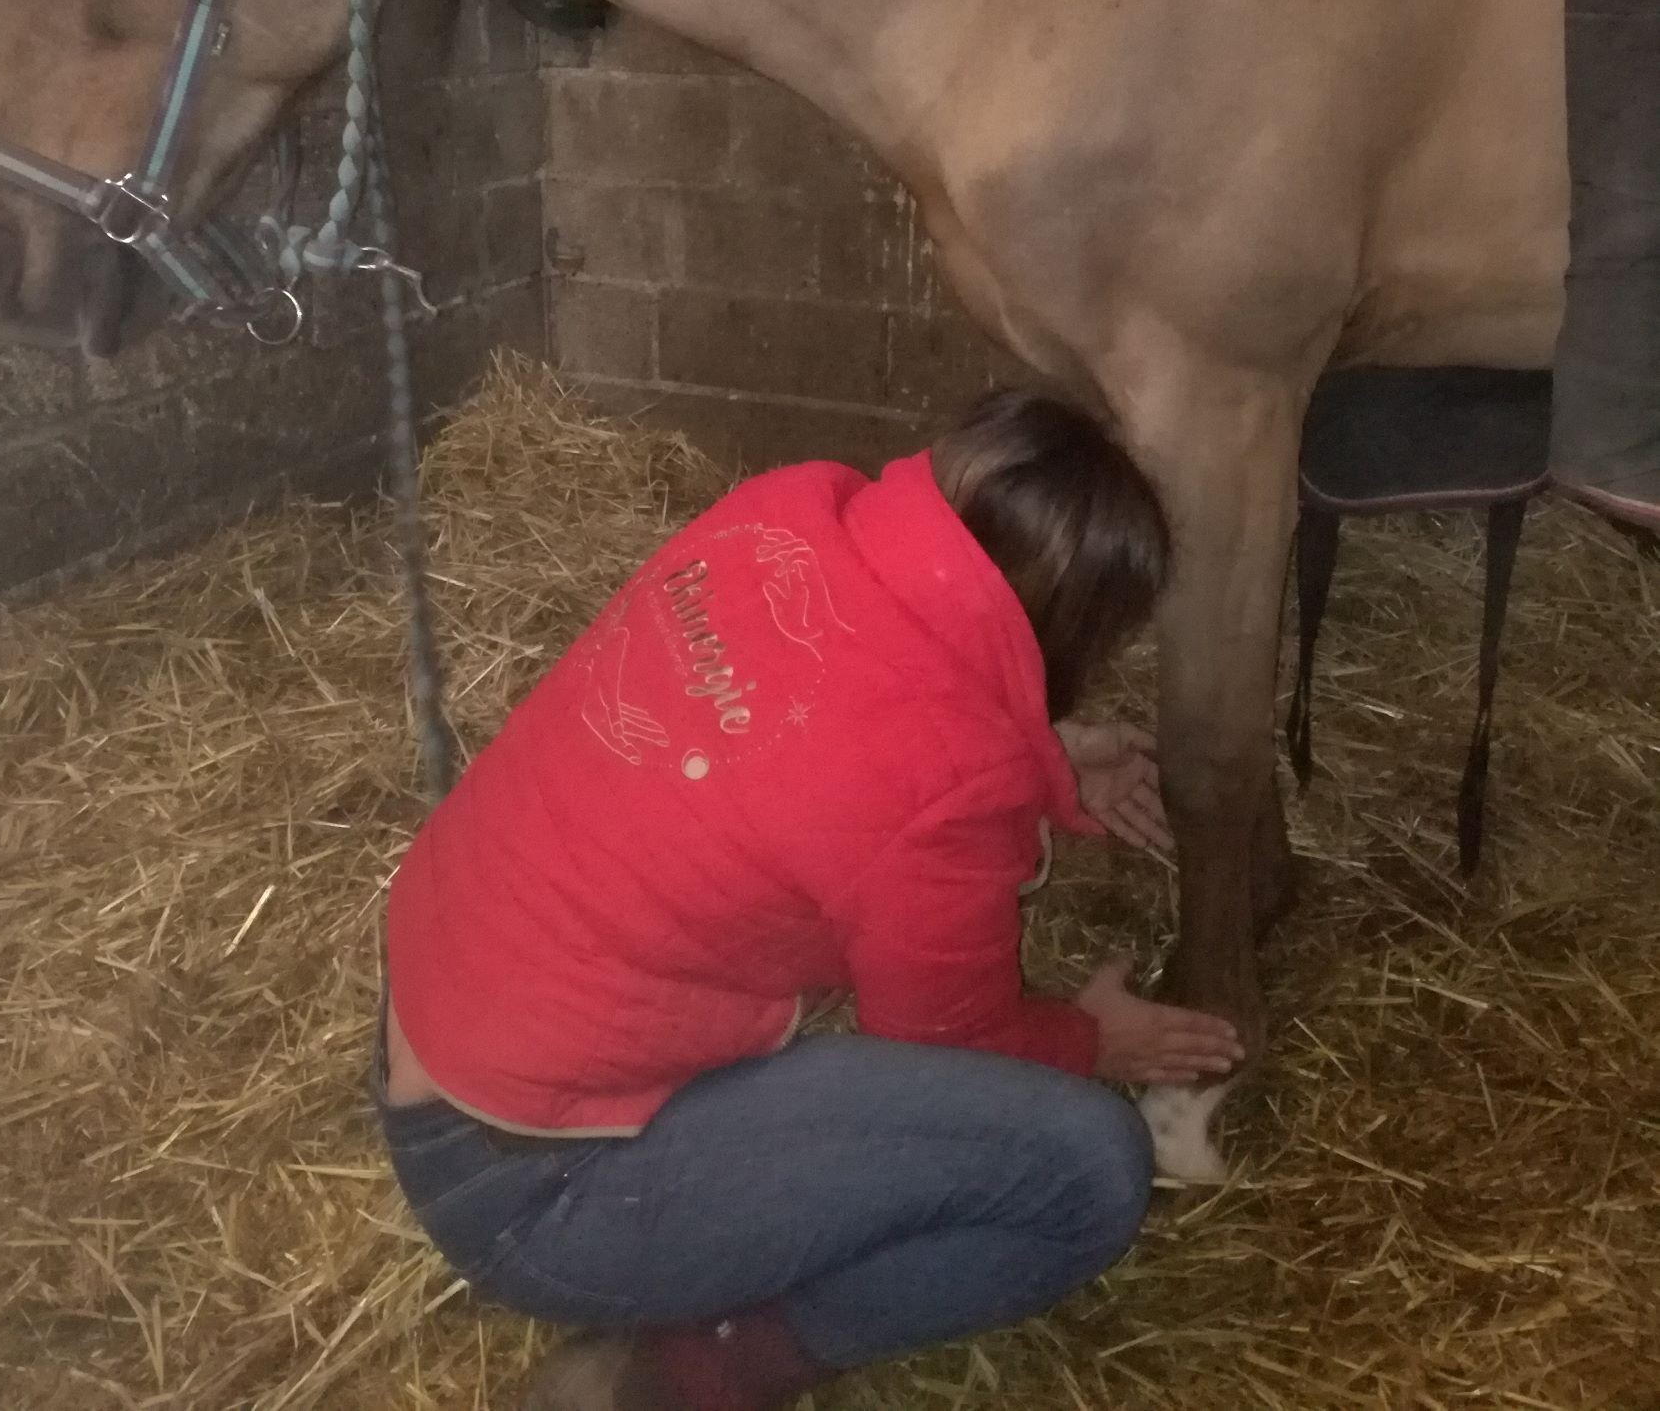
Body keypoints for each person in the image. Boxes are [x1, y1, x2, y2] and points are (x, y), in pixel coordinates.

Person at [378, 388, 1244, 1410]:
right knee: (1087, 1170)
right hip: (540, 1191)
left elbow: (831, 728)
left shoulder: (785, 512)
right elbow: (946, 1035)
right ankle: (685, 1377)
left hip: (439, 1031)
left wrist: (1041, 762)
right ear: (1075, 633)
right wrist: (1093, 1039)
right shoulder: (945, 782)